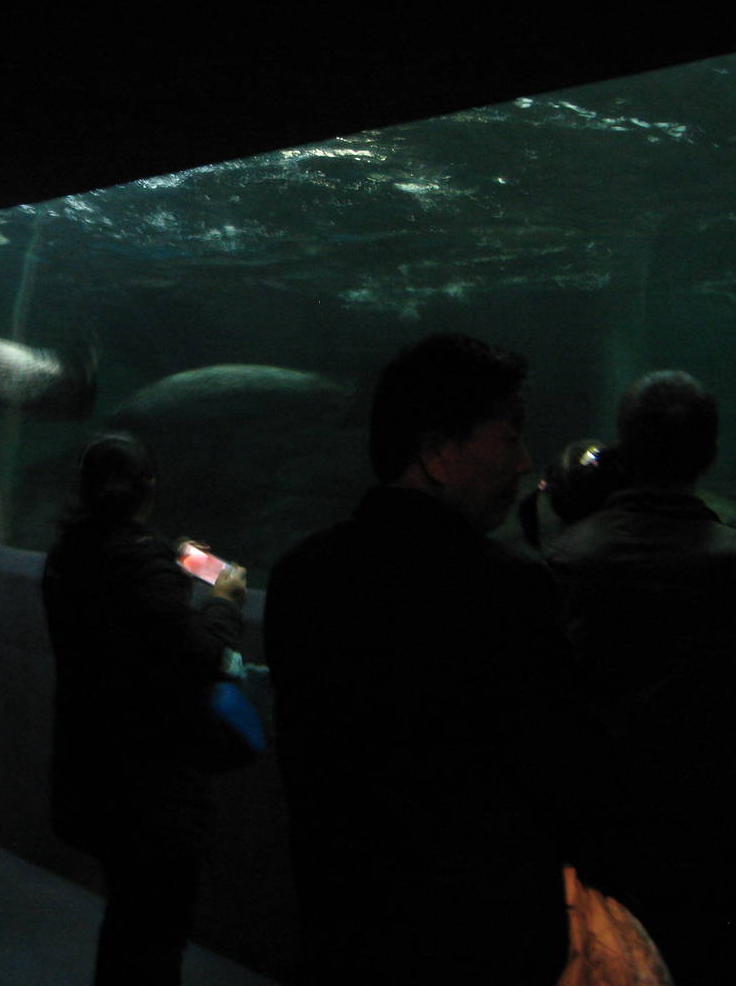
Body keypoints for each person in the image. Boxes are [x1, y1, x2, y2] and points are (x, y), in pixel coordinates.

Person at [264, 333, 621, 986]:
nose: (525, 462)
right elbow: (565, 770)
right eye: (510, 437)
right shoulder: (507, 588)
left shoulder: (299, 576)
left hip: (342, 933)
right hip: (484, 946)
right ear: (435, 453)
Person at [547, 370, 736, 984]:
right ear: (711, 452)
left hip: (608, 830)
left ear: (623, 447)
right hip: (725, 832)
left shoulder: (561, 563)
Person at [40, 431, 248, 985]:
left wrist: (168, 562)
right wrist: (224, 600)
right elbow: (201, 655)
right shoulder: (139, 565)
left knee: (129, 918)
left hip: (94, 774)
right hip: (152, 791)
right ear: (148, 487)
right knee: (154, 931)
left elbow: (129, 620)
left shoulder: (69, 555)